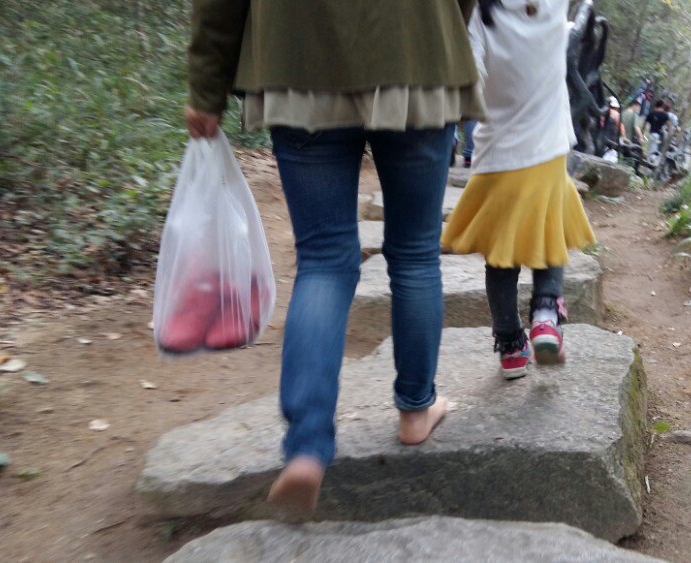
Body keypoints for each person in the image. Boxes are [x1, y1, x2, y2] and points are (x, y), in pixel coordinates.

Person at [184, 1, 484, 514]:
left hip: (298, 61)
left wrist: (206, 90)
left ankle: (306, 447)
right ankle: (416, 408)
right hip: (417, 51)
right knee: (414, 254)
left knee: (323, 260)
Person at [442, 0, 595, 379]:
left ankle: (510, 346)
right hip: (547, 153)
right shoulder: (551, 6)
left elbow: (470, 80)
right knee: (550, 235)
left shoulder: (483, 15)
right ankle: (545, 318)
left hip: (498, 156)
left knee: (501, 256)